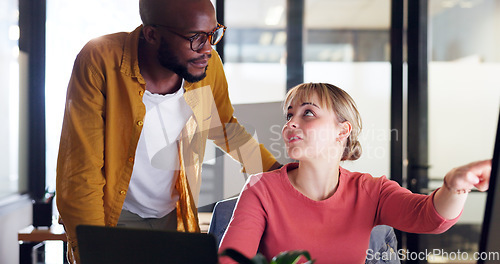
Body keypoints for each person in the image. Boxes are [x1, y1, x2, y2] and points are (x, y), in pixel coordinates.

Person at [55, 0, 280, 263]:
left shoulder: (206, 65)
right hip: (113, 216)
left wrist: (278, 173)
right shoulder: (100, 60)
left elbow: (224, 127)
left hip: (175, 214)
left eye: (212, 34)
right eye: (195, 37)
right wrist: (92, 249)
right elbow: (81, 170)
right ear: (152, 34)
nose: (207, 48)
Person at [218, 83, 491, 264]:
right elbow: (230, 260)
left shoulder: (372, 191)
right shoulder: (261, 188)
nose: (291, 124)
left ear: (342, 130)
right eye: (289, 116)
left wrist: (456, 185)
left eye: (308, 113)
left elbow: (430, 217)